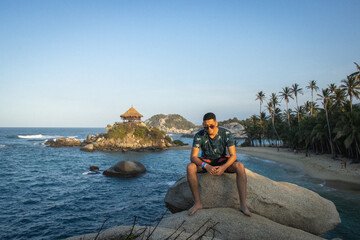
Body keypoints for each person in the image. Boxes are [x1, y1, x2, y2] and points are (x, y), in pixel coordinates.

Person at [187, 112, 251, 217]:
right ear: (203, 125)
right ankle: (198, 203)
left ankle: (243, 205)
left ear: (216, 123)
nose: (209, 129)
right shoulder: (199, 135)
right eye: (206, 127)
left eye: (211, 126)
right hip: (206, 161)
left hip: (222, 161)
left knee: (240, 166)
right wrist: (206, 166)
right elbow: (193, 157)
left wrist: (223, 168)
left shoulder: (226, 133)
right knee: (190, 167)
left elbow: (233, 155)